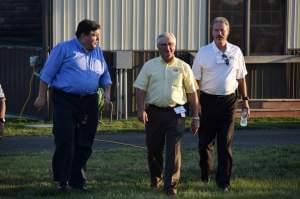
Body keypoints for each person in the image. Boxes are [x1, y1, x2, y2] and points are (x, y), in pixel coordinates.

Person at [34, 19, 112, 191]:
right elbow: (46, 74)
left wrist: (107, 96)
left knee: (85, 142)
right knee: (65, 139)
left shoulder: (97, 52)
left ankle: (78, 180)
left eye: (98, 37)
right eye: (95, 37)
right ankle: (62, 180)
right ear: (83, 35)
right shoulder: (63, 49)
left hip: (89, 101)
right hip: (65, 100)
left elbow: (105, 76)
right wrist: (41, 96)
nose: (98, 40)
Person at [134, 32, 200, 195]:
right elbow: (140, 88)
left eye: (170, 44)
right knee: (154, 148)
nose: (167, 47)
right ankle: (156, 179)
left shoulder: (183, 67)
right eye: (163, 44)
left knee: (174, 149)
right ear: (158, 47)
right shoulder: (149, 65)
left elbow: (192, 93)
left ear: (175, 46)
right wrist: (141, 109)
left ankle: (170, 185)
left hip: (176, 113)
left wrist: (196, 116)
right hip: (154, 113)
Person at [192, 17, 250, 192]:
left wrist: (245, 100)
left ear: (228, 31)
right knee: (205, 143)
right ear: (212, 32)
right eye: (216, 30)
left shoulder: (236, 51)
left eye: (222, 30)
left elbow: (241, 78)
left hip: (228, 102)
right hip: (207, 101)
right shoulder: (203, 52)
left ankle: (223, 181)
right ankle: (205, 173)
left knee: (224, 143)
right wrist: (197, 105)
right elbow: (194, 81)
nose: (219, 33)